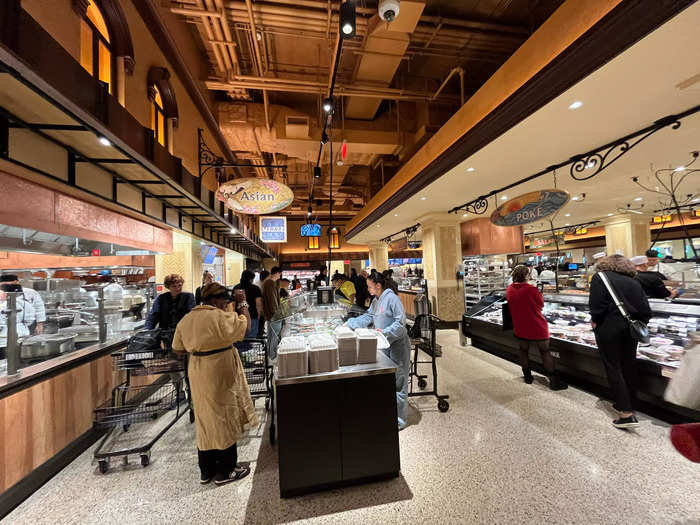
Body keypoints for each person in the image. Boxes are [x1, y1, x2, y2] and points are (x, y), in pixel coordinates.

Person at [172, 283, 256, 485]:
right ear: (216, 300)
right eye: (224, 301)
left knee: (204, 418)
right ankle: (226, 471)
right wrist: (242, 302)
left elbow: (178, 348)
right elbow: (246, 327)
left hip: (197, 370)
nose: (226, 304)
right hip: (218, 369)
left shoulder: (187, 319)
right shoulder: (218, 317)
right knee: (224, 416)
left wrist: (199, 348)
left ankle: (207, 470)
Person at [589, 254, 652, 429]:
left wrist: (595, 321)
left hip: (609, 327)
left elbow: (596, 307)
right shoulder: (634, 281)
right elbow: (646, 311)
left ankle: (626, 413)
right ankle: (631, 402)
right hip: (631, 329)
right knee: (628, 365)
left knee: (613, 367)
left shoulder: (599, 277)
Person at [347, 272, 410, 430]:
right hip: (385, 345)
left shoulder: (392, 299)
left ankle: (400, 421)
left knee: (399, 383)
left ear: (378, 285)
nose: (368, 289)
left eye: (369, 286)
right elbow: (368, 317)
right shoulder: (376, 301)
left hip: (398, 345)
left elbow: (400, 323)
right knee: (389, 381)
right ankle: (389, 413)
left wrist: (385, 332)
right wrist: (350, 324)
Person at [506, 265, 568, 390]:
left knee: (523, 350)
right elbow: (541, 304)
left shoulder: (510, 289)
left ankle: (528, 377)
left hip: (520, 325)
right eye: (528, 274)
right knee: (544, 351)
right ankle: (554, 382)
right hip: (536, 325)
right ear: (526, 276)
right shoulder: (531, 289)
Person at [0, 283, 36, 348]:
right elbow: (30, 320)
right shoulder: (26, 303)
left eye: (1, 292)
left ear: (6, 293)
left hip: (5, 338)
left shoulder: (4, 306)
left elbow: (0, 324)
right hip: (24, 335)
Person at [233, 270, 263, 338]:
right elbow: (258, 304)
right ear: (251, 279)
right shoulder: (255, 289)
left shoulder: (236, 288)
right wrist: (258, 316)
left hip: (239, 317)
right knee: (251, 340)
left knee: (240, 339)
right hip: (252, 317)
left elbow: (233, 304)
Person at [262, 266, 282, 359]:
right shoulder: (270, 282)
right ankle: (272, 355)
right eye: (280, 274)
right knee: (274, 335)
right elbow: (272, 300)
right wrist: (276, 314)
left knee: (271, 335)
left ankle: (270, 354)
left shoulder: (269, 282)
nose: (280, 276)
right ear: (277, 273)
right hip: (274, 314)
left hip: (271, 314)